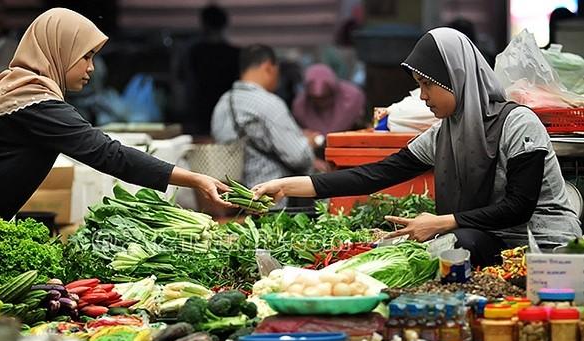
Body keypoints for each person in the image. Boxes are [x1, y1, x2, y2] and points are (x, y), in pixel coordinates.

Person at [253, 27, 582, 266]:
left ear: (456, 77)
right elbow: (377, 174)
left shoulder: (517, 124)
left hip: (548, 247)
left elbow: (519, 207)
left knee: (457, 239)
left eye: (428, 85)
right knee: (459, 242)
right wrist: (288, 185)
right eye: (419, 86)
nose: (423, 96)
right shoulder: (444, 134)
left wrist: (442, 222)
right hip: (496, 243)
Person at [0, 8, 233, 251]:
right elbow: (109, 154)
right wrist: (195, 179)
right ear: (59, 51)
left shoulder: (15, 91)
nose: (92, 68)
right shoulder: (34, 104)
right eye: (85, 57)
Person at [211, 44, 315, 206]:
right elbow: (299, 157)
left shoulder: (222, 104)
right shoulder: (269, 104)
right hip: (272, 203)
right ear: (268, 67)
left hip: (235, 201)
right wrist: (309, 142)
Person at [183, 4, 240, 136]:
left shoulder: (195, 52)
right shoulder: (234, 54)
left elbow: (187, 82)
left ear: (204, 24)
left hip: (200, 112)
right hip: (228, 112)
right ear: (225, 24)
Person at [292, 63, 365, 138]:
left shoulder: (353, 100)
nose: (320, 102)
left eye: (324, 98)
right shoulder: (300, 107)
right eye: (315, 98)